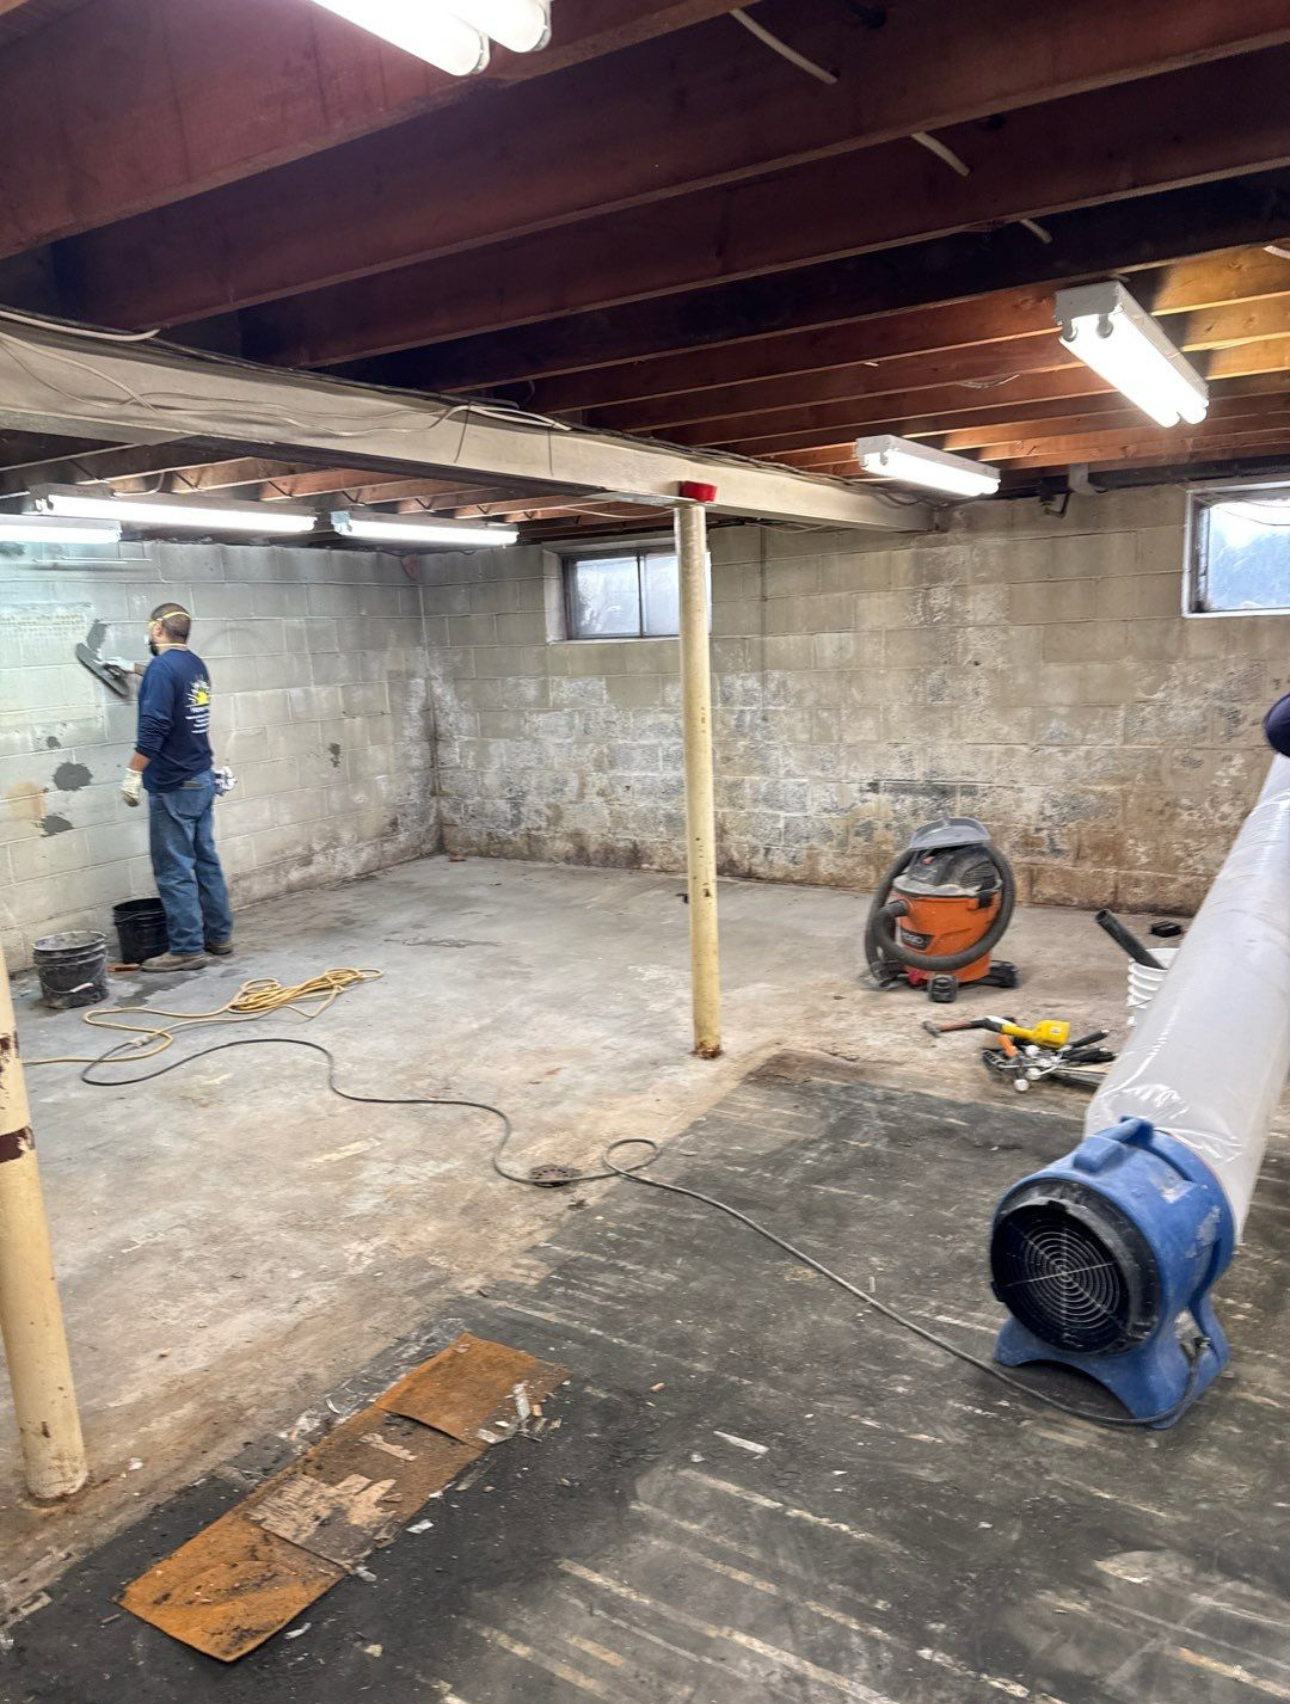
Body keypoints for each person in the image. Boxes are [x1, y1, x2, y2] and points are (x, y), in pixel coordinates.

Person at [110, 603, 234, 971]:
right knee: (205, 862)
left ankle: (186, 948)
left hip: (174, 784)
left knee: (174, 870)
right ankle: (219, 936)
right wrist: (134, 668)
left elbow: (154, 728)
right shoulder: (194, 664)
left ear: (158, 629)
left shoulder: (163, 669)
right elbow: (171, 683)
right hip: (201, 778)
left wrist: (133, 773)